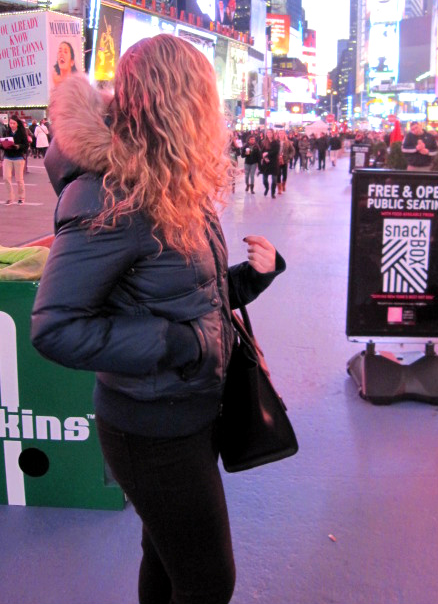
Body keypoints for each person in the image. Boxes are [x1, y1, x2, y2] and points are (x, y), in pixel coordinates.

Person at [30, 34, 286, 604]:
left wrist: (251, 279)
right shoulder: (109, 196)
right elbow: (55, 326)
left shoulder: (171, 181)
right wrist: (178, 344)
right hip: (150, 428)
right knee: (208, 580)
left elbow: (185, 293)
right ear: (179, 106)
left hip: (189, 410)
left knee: (167, 559)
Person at [1, 114, 28, 204]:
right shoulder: (7, 132)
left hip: (18, 157)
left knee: (19, 179)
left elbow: (26, 145)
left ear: (17, 124)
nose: (12, 125)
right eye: (10, 123)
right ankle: (10, 197)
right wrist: (2, 145)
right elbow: (3, 143)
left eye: (13, 123)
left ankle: (21, 197)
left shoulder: (22, 132)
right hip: (7, 156)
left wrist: (18, 146)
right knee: (6, 177)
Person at [260, 128, 280, 198]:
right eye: (268, 132)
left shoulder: (276, 142)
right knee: (264, 180)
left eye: (270, 132)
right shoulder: (264, 142)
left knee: (274, 180)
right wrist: (264, 158)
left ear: (273, 134)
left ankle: (273, 193)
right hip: (266, 163)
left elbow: (276, 152)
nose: (269, 134)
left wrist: (267, 153)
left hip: (274, 163)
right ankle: (267, 188)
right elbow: (261, 152)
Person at [277, 128, 294, 193]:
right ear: (278, 134)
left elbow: (292, 151)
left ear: (284, 134)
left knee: (285, 174)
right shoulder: (276, 142)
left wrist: (289, 157)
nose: (281, 135)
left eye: (282, 133)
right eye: (280, 133)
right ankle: (279, 188)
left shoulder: (288, 142)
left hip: (285, 160)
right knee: (278, 174)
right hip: (277, 160)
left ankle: (283, 184)